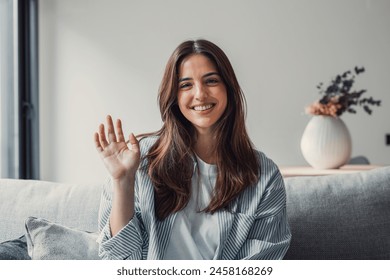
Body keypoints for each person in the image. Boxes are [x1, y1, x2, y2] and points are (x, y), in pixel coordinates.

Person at [94, 39, 291, 260]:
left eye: (211, 81)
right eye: (186, 85)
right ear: (174, 97)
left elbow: (261, 265)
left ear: (229, 88)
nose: (200, 94)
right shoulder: (140, 160)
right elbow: (118, 263)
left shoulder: (264, 175)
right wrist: (122, 181)